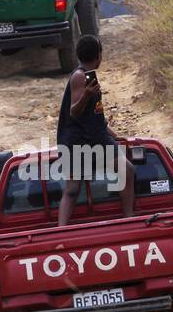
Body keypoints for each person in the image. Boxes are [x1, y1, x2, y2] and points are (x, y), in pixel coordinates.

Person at [55, 34, 135, 228]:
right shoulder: (79, 76)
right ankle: (61, 229)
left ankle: (128, 217)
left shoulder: (89, 75)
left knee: (126, 170)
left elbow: (94, 115)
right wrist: (86, 95)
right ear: (98, 55)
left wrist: (116, 136)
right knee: (72, 188)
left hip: (96, 137)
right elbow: (74, 111)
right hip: (78, 140)